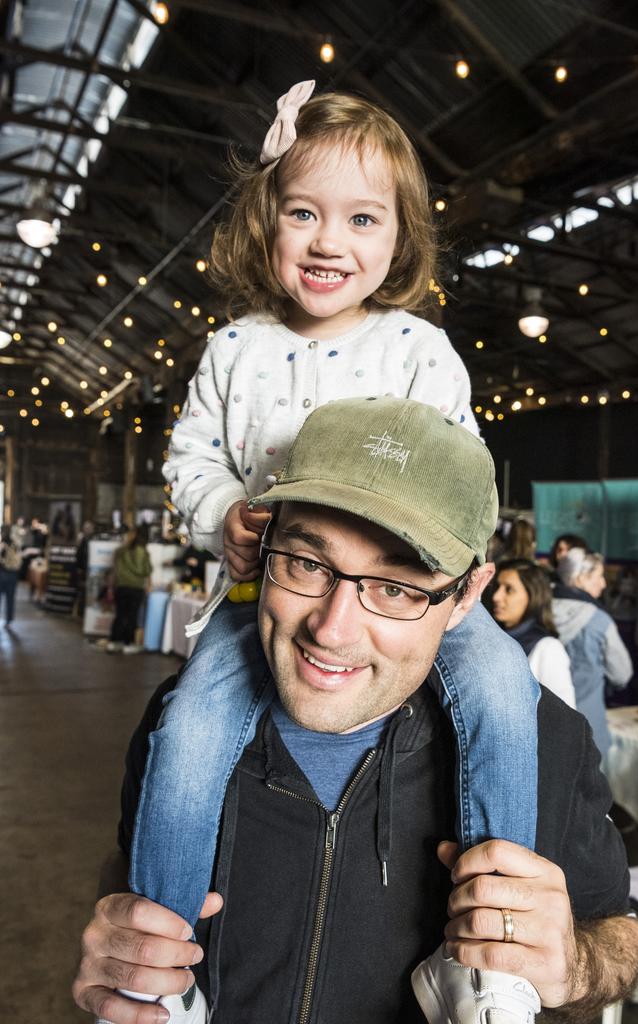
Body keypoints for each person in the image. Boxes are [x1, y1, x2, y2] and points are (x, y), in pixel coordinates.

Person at [128, 79, 539, 988]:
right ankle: (160, 970)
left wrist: (452, 568)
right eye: (305, 212)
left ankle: (490, 956)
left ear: (399, 239)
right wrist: (221, 513)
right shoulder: (232, 349)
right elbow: (189, 460)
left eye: (362, 219)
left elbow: (463, 477)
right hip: (267, 596)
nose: (328, 241)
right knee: (187, 727)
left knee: (508, 687)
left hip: (399, 597)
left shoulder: (417, 350)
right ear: (267, 222)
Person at [73, 398, 638, 1024]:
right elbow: (124, 862)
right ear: (262, 547)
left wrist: (575, 963)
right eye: (306, 562)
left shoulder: (540, 741)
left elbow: (619, 931)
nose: (332, 630)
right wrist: (126, 939)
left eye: (396, 588)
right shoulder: (179, 717)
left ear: (465, 598)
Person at [552, 549, 632, 759]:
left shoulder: (540, 613)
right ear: (580, 578)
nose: (604, 584)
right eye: (599, 576)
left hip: (546, 725)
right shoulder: (600, 621)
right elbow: (622, 673)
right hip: (590, 727)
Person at [491, 558, 575, 707]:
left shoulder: (548, 649)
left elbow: (564, 721)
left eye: (509, 589)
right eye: (497, 587)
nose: (496, 597)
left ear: (533, 595)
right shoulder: (494, 637)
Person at [108, 524, 152, 654]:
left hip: (121, 586)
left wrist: (111, 586)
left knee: (120, 615)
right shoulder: (143, 551)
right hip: (136, 588)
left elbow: (114, 570)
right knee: (132, 616)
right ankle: (129, 644)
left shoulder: (120, 551)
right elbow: (146, 570)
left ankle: (114, 642)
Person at [0, 524, 23, 625]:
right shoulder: (16, 544)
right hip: (13, 574)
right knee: (10, 598)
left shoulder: (2, 544)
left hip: (2, 573)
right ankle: (9, 619)